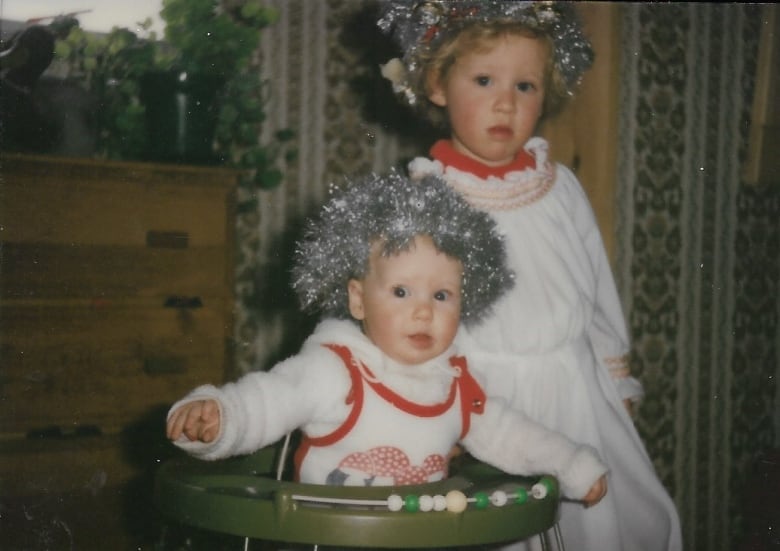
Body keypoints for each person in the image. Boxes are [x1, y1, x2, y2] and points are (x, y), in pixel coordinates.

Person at [377, 2, 682, 550]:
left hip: (576, 397)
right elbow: (398, 317)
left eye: (526, 86)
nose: (505, 102)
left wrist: (616, 382)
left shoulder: (559, 188)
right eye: (485, 79)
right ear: (438, 85)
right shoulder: (427, 198)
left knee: (606, 527)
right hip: (486, 409)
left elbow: (595, 291)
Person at [166, 171, 608, 508]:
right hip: (332, 540)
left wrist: (570, 464)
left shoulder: (453, 386)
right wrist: (221, 416)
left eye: (442, 295)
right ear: (358, 300)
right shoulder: (334, 370)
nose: (423, 310)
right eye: (401, 291)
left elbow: (512, 435)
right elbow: (269, 400)